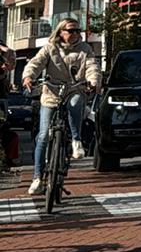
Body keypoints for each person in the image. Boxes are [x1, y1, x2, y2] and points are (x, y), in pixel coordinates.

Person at [24, 19, 101, 196]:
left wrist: (93, 82)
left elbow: (92, 67)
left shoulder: (85, 48)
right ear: (61, 33)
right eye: (71, 30)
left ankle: (76, 140)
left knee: (75, 103)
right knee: (43, 135)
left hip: (75, 89)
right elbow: (36, 63)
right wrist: (28, 77)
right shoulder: (50, 48)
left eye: (77, 30)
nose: (75, 34)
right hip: (51, 93)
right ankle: (37, 178)